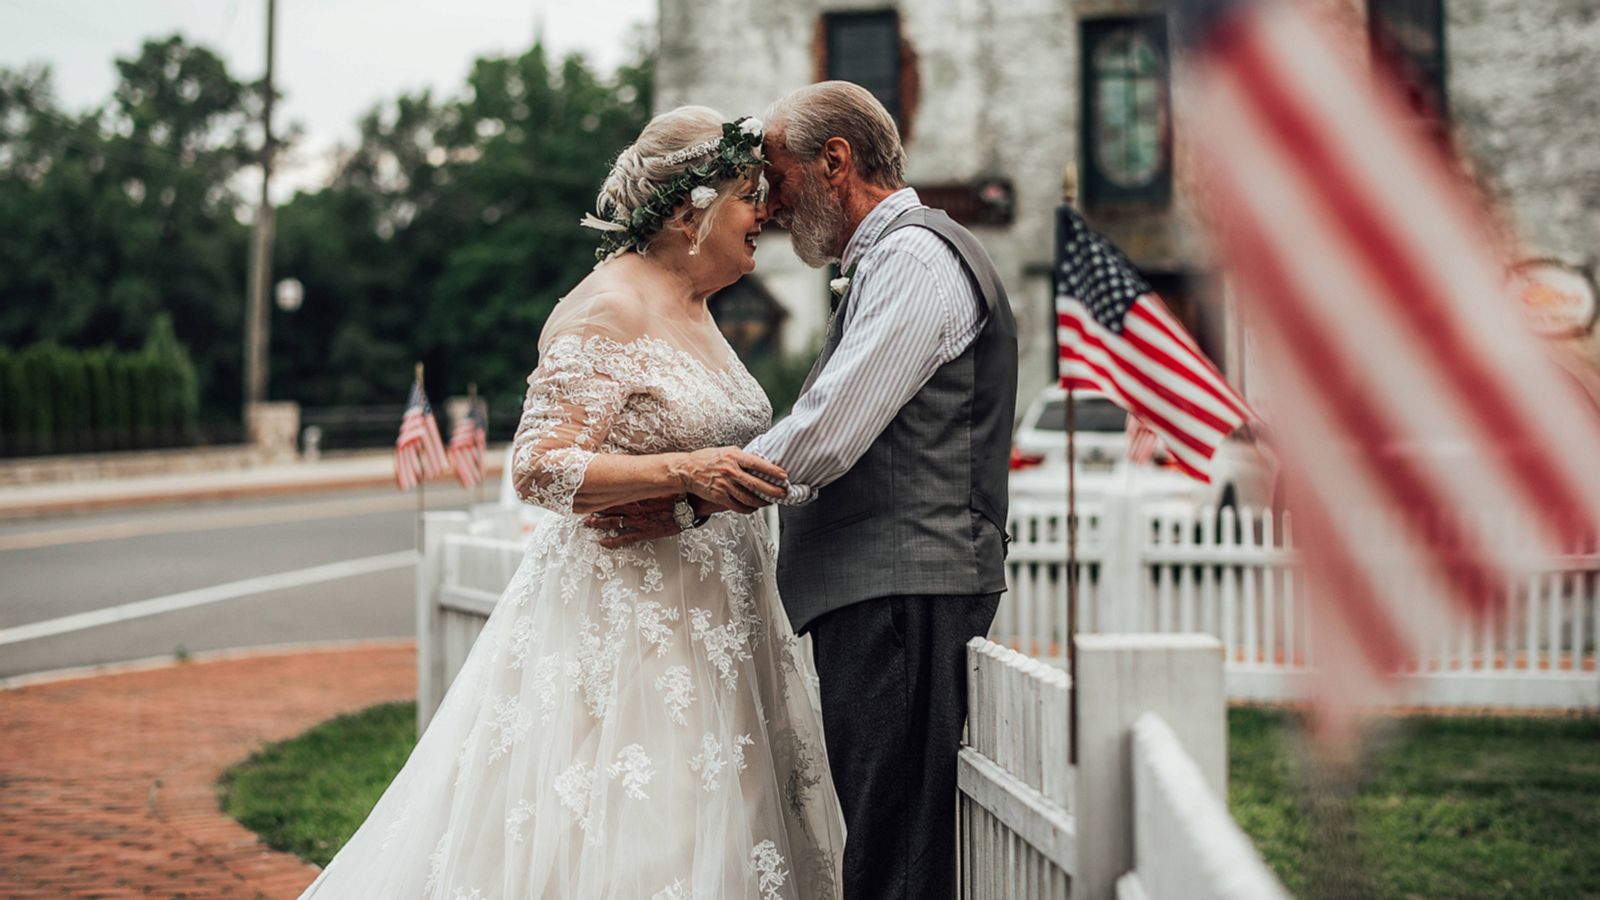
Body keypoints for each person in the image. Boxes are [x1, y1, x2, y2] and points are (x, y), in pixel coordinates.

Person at [299, 106, 844, 900]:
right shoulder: (609, 305)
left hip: (722, 617)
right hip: (635, 627)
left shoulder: (696, 307)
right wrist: (685, 471)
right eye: (747, 195)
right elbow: (539, 467)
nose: (765, 212)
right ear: (694, 208)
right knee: (651, 832)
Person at [592, 82, 1019, 900]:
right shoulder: (896, 259)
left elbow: (826, 433)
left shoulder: (913, 259)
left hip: (904, 589)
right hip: (893, 591)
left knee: (893, 851)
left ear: (836, 161)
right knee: (892, 835)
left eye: (779, 179)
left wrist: (693, 493)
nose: (772, 206)